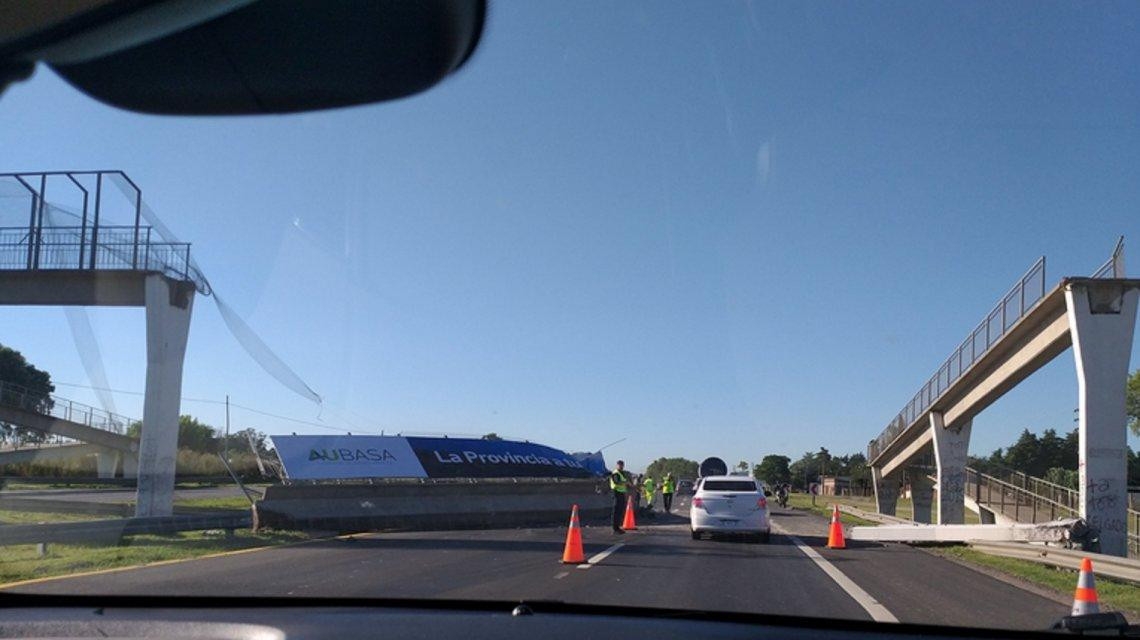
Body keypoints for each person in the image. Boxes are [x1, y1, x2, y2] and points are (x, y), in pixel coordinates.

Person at [609, 460, 631, 534]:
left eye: (622, 465)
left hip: (621, 493)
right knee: (616, 511)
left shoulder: (621, 473)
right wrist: (625, 483)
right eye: (620, 465)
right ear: (617, 465)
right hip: (616, 492)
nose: (621, 466)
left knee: (620, 510)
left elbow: (623, 482)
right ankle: (615, 528)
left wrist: (628, 484)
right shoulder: (615, 473)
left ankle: (617, 527)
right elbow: (617, 482)